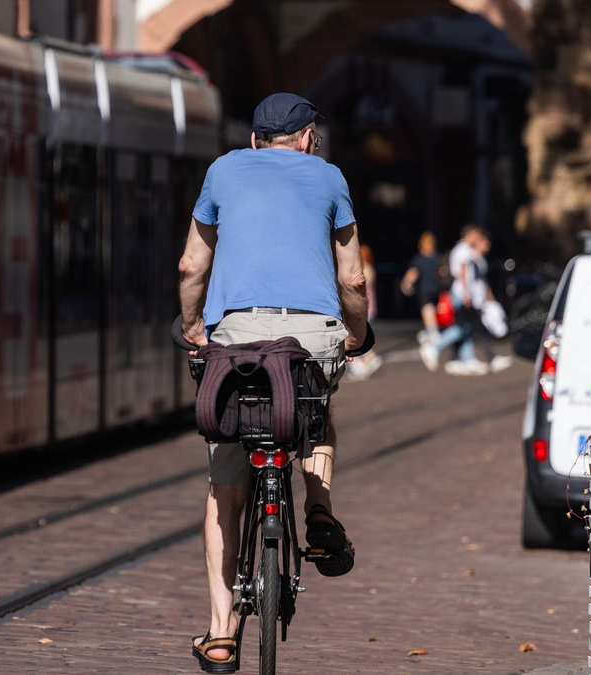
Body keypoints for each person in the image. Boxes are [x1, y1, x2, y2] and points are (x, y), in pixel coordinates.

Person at [178, 92, 369, 671]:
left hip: (234, 340)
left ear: (256, 139)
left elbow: (192, 265)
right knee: (315, 398)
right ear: (310, 138)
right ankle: (319, 509)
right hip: (310, 336)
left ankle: (219, 633)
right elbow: (353, 278)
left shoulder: (222, 170)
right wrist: (355, 335)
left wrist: (193, 328)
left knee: (224, 485)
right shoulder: (329, 177)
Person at [419, 225, 510, 375]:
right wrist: (467, 293)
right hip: (461, 293)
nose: (478, 238)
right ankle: (435, 346)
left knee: (466, 326)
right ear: (471, 234)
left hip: (463, 293)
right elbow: (462, 271)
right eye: (476, 235)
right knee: (463, 326)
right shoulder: (463, 249)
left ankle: (466, 358)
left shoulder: (463, 248)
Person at [345, 244, 382, 380]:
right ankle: (362, 365)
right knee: (357, 336)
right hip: (365, 307)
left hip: (364, 308)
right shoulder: (367, 269)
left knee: (357, 336)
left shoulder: (366, 269)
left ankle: (370, 358)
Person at [400, 232, 441, 344]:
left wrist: (405, 283)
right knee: (433, 311)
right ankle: (430, 332)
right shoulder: (437, 257)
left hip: (425, 290)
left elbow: (413, 273)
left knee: (427, 311)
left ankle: (433, 333)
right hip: (437, 289)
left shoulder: (419, 259)